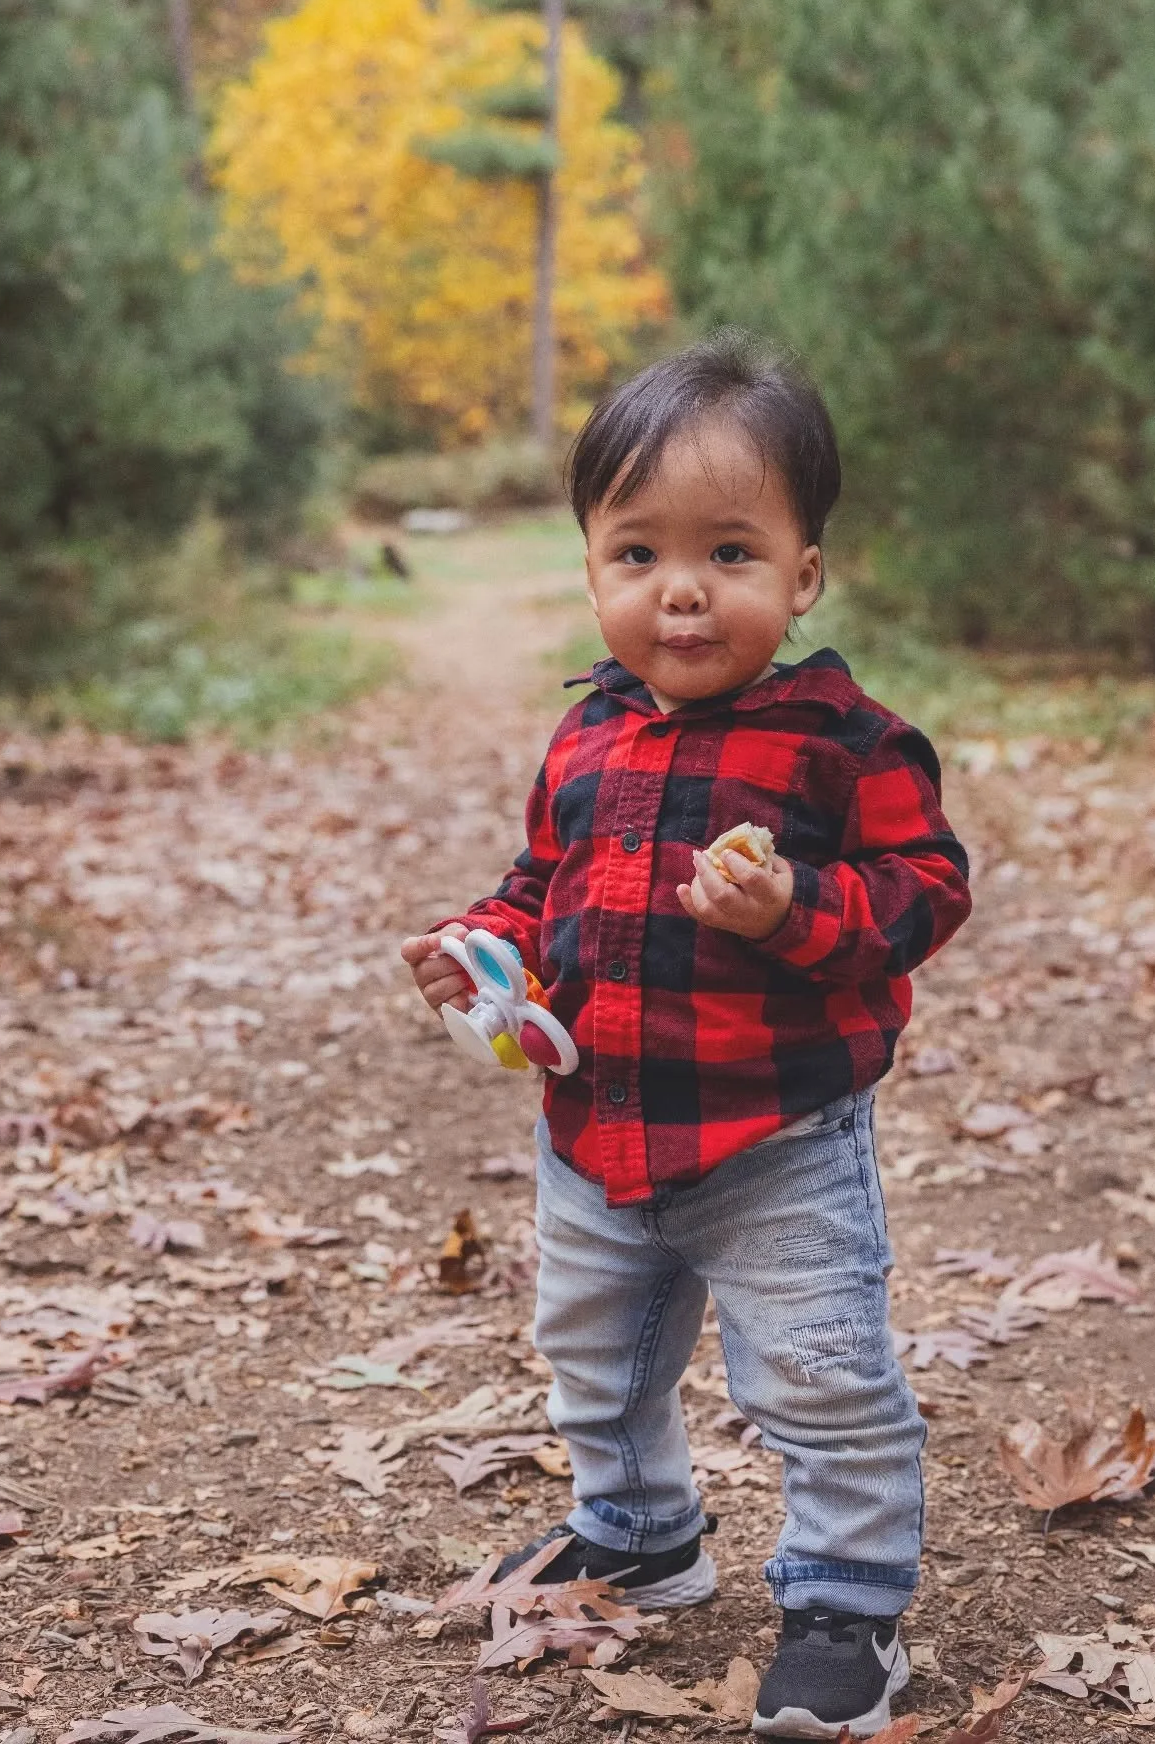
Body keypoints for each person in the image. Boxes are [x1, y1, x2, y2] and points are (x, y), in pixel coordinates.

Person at [401, 332, 971, 1740]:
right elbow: (544, 886)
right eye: (638, 554)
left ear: (803, 573)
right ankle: (642, 1529)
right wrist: (485, 946)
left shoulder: (844, 742)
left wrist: (794, 908)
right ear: (594, 567)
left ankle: (845, 1599)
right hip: (597, 1135)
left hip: (775, 1138)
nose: (683, 592)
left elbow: (924, 891)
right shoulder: (586, 737)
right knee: (593, 1352)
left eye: (729, 553)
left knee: (822, 1373)